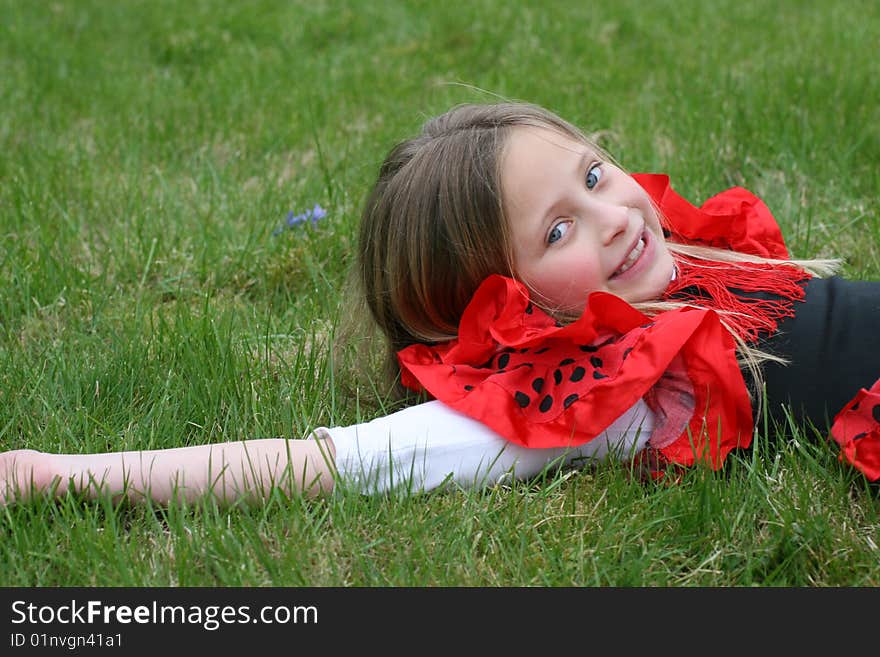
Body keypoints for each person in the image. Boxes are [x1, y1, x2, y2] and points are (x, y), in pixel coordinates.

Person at [2, 101, 879, 506]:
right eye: (559, 232)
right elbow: (333, 462)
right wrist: (52, 474)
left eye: (594, 174)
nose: (614, 219)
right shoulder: (587, 391)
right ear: (503, 312)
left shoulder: (652, 261)